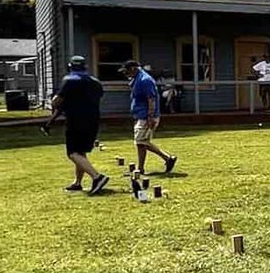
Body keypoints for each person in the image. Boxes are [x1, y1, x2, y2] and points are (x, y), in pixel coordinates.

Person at [50, 54, 110, 195]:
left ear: (70, 67)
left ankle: (97, 177)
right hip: (93, 120)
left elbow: (57, 101)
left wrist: (54, 100)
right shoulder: (95, 82)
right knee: (81, 152)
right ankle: (77, 183)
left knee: (72, 153)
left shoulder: (69, 80)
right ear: (85, 67)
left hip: (76, 120)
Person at [121, 59, 178, 176]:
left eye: (126, 71)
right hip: (140, 115)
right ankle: (141, 168)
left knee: (141, 141)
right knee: (141, 143)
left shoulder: (145, 80)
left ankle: (167, 158)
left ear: (133, 69)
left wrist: (150, 117)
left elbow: (151, 99)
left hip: (146, 116)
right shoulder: (137, 78)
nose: (125, 74)